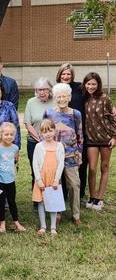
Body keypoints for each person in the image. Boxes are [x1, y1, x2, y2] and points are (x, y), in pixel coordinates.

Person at [43, 83, 83, 226]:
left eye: (64, 96)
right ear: (54, 98)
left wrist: (79, 153)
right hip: (53, 155)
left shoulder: (75, 114)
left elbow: (80, 136)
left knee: (74, 184)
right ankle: (57, 212)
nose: (61, 99)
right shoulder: (49, 113)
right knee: (56, 185)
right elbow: (44, 134)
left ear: (69, 97)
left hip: (70, 156)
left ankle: (76, 214)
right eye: (58, 96)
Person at [82, 72, 116, 210]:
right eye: (88, 83)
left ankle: (99, 199)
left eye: (93, 84)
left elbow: (113, 119)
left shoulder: (105, 99)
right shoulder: (83, 99)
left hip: (106, 139)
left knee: (104, 167)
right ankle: (91, 197)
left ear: (98, 84)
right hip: (91, 139)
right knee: (92, 168)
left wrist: (114, 137)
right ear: (85, 84)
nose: (91, 86)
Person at [56, 63, 89, 200]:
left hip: (78, 131)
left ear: (72, 75)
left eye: (68, 74)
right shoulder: (56, 88)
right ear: (59, 75)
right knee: (61, 165)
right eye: (63, 74)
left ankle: (79, 194)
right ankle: (62, 194)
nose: (66, 76)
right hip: (60, 135)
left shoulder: (80, 88)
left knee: (80, 163)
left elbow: (92, 99)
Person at [32, 119, 65, 236]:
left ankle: (53, 227)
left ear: (54, 131)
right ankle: (42, 226)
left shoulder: (59, 146)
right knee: (41, 202)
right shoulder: (39, 146)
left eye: (50, 131)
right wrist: (39, 180)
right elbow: (35, 163)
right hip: (42, 177)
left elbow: (61, 163)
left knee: (53, 201)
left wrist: (56, 180)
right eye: (45, 132)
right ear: (41, 133)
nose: (48, 134)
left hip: (53, 178)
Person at [0, 122, 26, 233]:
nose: (9, 137)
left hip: (10, 180)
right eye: (6, 134)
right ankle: (2, 223)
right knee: (1, 202)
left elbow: (15, 160)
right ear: (0, 135)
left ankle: (16, 222)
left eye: (11, 134)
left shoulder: (15, 148)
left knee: (12, 201)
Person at [24, 77, 56, 188]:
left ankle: (52, 196)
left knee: (52, 170)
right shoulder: (31, 102)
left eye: (45, 89)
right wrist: (41, 140)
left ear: (50, 89)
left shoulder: (56, 101)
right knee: (36, 170)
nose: (42, 92)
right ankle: (37, 199)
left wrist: (49, 140)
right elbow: (28, 124)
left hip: (53, 143)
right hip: (34, 143)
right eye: (39, 90)